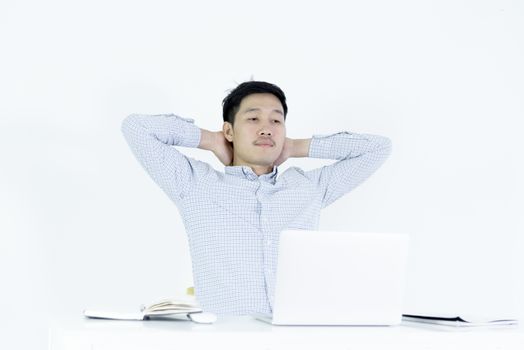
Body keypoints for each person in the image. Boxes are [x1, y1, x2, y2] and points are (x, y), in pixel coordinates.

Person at [121, 80, 392, 316]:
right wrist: (211, 140)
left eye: (276, 120)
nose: (267, 129)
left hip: (298, 336)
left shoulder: (309, 188)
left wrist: (296, 147)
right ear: (230, 131)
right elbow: (136, 128)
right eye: (253, 119)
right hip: (225, 338)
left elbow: (379, 148)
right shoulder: (194, 184)